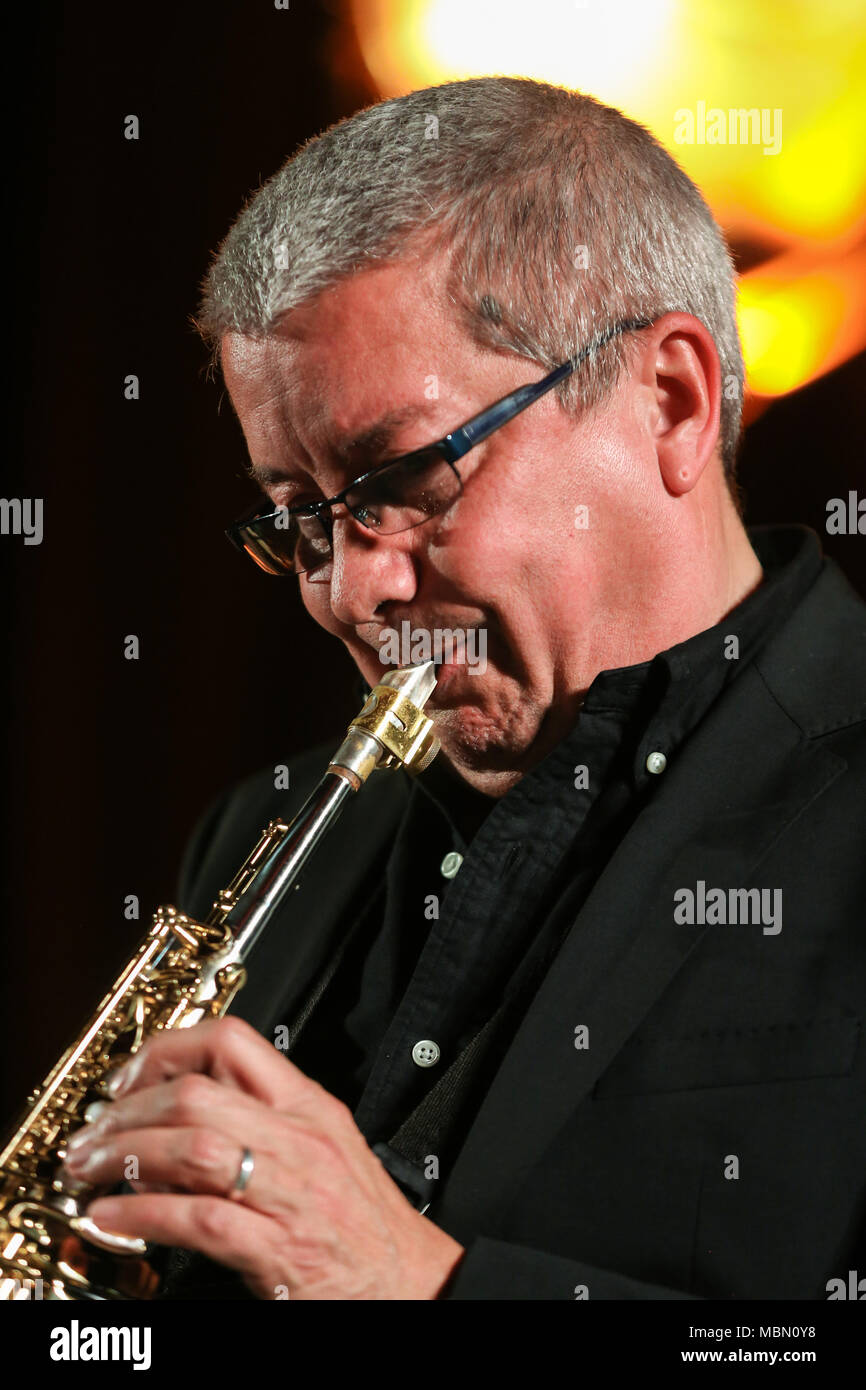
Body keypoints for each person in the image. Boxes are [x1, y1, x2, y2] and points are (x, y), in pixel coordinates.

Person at [63, 76, 866, 1300]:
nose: (350, 592)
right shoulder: (255, 844)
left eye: (403, 475)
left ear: (670, 401)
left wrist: (417, 1286)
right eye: (298, 518)